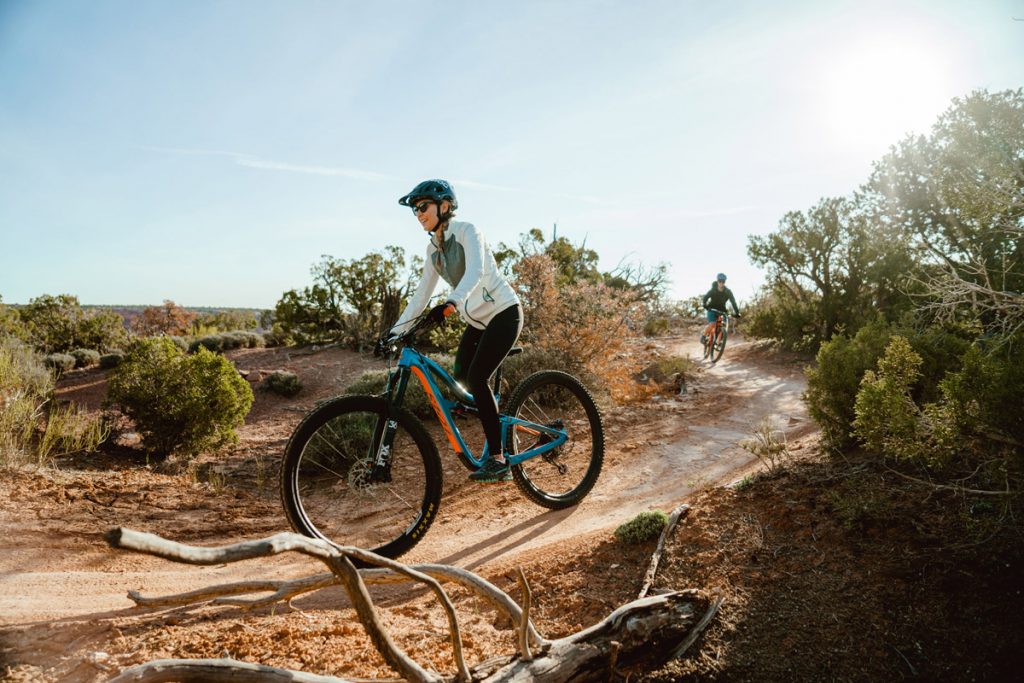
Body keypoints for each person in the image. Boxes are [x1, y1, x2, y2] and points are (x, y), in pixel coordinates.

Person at [387, 179, 522, 483]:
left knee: (476, 377)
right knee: (461, 379)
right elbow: (421, 296)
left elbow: (476, 270)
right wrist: (393, 333)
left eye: (423, 207)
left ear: (444, 206)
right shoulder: (433, 250)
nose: (419, 214)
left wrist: (451, 303)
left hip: (504, 312)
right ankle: (495, 420)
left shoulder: (467, 232)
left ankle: (499, 459)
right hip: (478, 322)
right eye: (415, 210)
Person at [700, 273, 741, 344]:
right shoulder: (713, 290)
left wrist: (737, 312)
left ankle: (718, 342)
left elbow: (733, 302)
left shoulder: (728, 292)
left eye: (723, 281)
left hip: (722, 311)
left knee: (722, 326)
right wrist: (705, 304)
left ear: (725, 282)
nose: (721, 283)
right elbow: (705, 297)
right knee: (713, 324)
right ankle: (703, 336)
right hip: (712, 310)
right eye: (720, 281)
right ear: (717, 281)